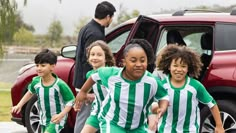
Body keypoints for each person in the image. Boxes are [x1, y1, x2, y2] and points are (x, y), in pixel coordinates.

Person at [74, 39, 169, 133]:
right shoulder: (110, 74)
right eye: (133, 60)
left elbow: (163, 96)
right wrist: (83, 92)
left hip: (137, 126)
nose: (138, 64)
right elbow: (93, 77)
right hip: (113, 122)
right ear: (124, 62)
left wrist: (162, 108)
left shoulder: (152, 81)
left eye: (142, 60)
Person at [153, 45, 224, 133]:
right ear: (169, 66)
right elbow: (152, 106)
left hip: (190, 130)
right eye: (175, 65)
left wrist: (219, 125)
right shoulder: (162, 86)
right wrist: (155, 109)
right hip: (166, 130)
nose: (179, 69)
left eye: (183, 66)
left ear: (188, 68)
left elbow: (212, 104)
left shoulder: (195, 86)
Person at [73, 1, 116, 133]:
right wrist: (89, 90)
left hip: (82, 81)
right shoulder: (96, 34)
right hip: (88, 84)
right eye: (112, 17)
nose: (111, 20)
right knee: (86, 119)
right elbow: (91, 62)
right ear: (108, 17)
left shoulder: (86, 28)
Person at [11, 49, 75, 133]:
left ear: (52, 66)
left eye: (43, 65)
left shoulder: (60, 84)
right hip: (43, 120)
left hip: (57, 120)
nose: (39, 68)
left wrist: (61, 115)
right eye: (37, 65)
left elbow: (70, 101)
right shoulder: (36, 82)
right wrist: (19, 105)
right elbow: (30, 93)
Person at [76, 40, 115, 133]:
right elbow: (85, 92)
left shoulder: (110, 74)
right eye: (92, 54)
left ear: (106, 58)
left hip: (111, 114)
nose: (95, 57)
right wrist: (84, 98)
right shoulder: (90, 74)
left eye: (99, 55)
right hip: (97, 112)